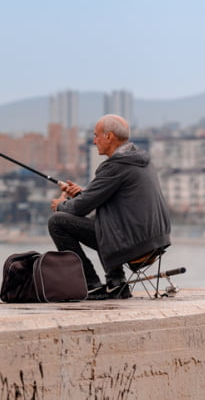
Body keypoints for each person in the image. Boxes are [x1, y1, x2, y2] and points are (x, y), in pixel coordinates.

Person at [48, 114, 171, 299]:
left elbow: (79, 209)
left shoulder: (116, 166)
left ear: (109, 136)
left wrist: (61, 205)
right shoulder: (139, 160)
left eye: (96, 135)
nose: (94, 140)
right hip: (155, 240)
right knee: (101, 217)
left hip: (134, 243)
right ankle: (115, 283)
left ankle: (91, 284)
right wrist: (83, 194)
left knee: (57, 222)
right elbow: (109, 200)